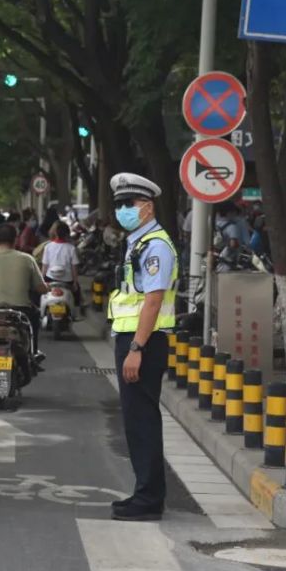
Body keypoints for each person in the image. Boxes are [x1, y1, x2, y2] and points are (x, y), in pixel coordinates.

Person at [106, 172, 177, 522]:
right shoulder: (139, 241)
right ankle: (144, 493)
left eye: (128, 204)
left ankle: (149, 499)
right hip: (135, 339)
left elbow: (152, 301)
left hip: (143, 342)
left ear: (147, 208)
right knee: (136, 421)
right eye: (119, 204)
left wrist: (136, 347)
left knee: (142, 420)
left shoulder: (156, 246)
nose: (122, 210)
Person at [0, 223, 49, 354]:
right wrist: (48, 287)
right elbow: (41, 288)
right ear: (16, 240)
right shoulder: (27, 259)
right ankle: (33, 351)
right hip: (21, 311)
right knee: (35, 317)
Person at [42, 221, 81, 309]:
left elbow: (45, 266)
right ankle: (77, 311)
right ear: (67, 233)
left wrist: (42, 279)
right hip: (67, 281)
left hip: (50, 279)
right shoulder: (71, 248)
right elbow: (74, 268)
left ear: (55, 233)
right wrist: (75, 282)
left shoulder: (48, 247)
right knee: (77, 293)